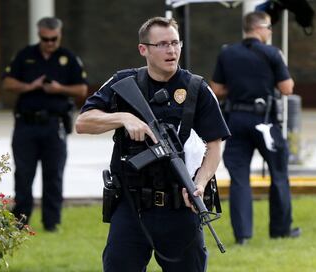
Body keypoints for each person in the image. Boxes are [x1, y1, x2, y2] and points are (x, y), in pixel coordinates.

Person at [76, 16, 229, 272]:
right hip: (131, 206)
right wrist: (123, 118)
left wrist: (199, 184)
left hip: (181, 206)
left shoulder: (197, 89)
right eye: (162, 44)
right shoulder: (123, 83)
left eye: (175, 43)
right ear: (143, 49)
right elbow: (83, 122)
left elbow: (214, 148)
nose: (171, 50)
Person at [210, 11, 300, 245]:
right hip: (265, 122)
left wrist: (239, 90)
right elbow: (287, 88)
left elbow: (216, 89)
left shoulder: (227, 53)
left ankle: (243, 237)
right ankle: (281, 230)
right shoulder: (271, 53)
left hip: (236, 120)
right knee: (279, 174)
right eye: (269, 28)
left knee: (239, 178)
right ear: (260, 27)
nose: (270, 32)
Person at [2, 17, 88, 232]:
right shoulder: (25, 55)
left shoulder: (68, 58)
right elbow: (7, 82)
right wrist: (31, 86)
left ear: (59, 35)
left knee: (53, 176)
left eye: (53, 39)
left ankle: (51, 224)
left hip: (54, 125)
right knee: (23, 175)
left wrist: (60, 89)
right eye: (45, 38)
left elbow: (81, 90)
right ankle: (19, 223)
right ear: (38, 34)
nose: (49, 42)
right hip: (26, 125)